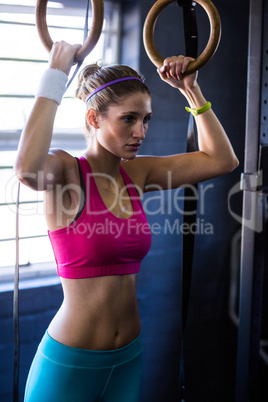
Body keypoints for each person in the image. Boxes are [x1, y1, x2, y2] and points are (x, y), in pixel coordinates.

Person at [15, 41, 238, 402]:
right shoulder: (66, 173)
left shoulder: (137, 174)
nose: (141, 132)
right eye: (129, 119)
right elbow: (26, 169)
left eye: (146, 119)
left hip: (127, 360)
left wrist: (190, 89)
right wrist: (55, 76)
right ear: (93, 119)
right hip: (70, 365)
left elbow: (221, 160)